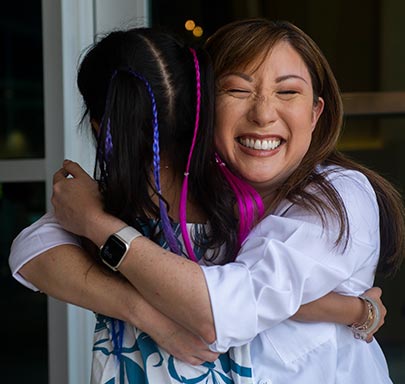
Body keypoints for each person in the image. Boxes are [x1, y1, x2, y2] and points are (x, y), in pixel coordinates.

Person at [9, 21, 393, 383]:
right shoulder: (188, 187)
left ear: (316, 113)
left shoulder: (338, 193)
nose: (262, 113)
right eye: (237, 90)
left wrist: (98, 226)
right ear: (204, 108)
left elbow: (227, 307)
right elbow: (33, 250)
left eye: (288, 91)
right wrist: (141, 309)